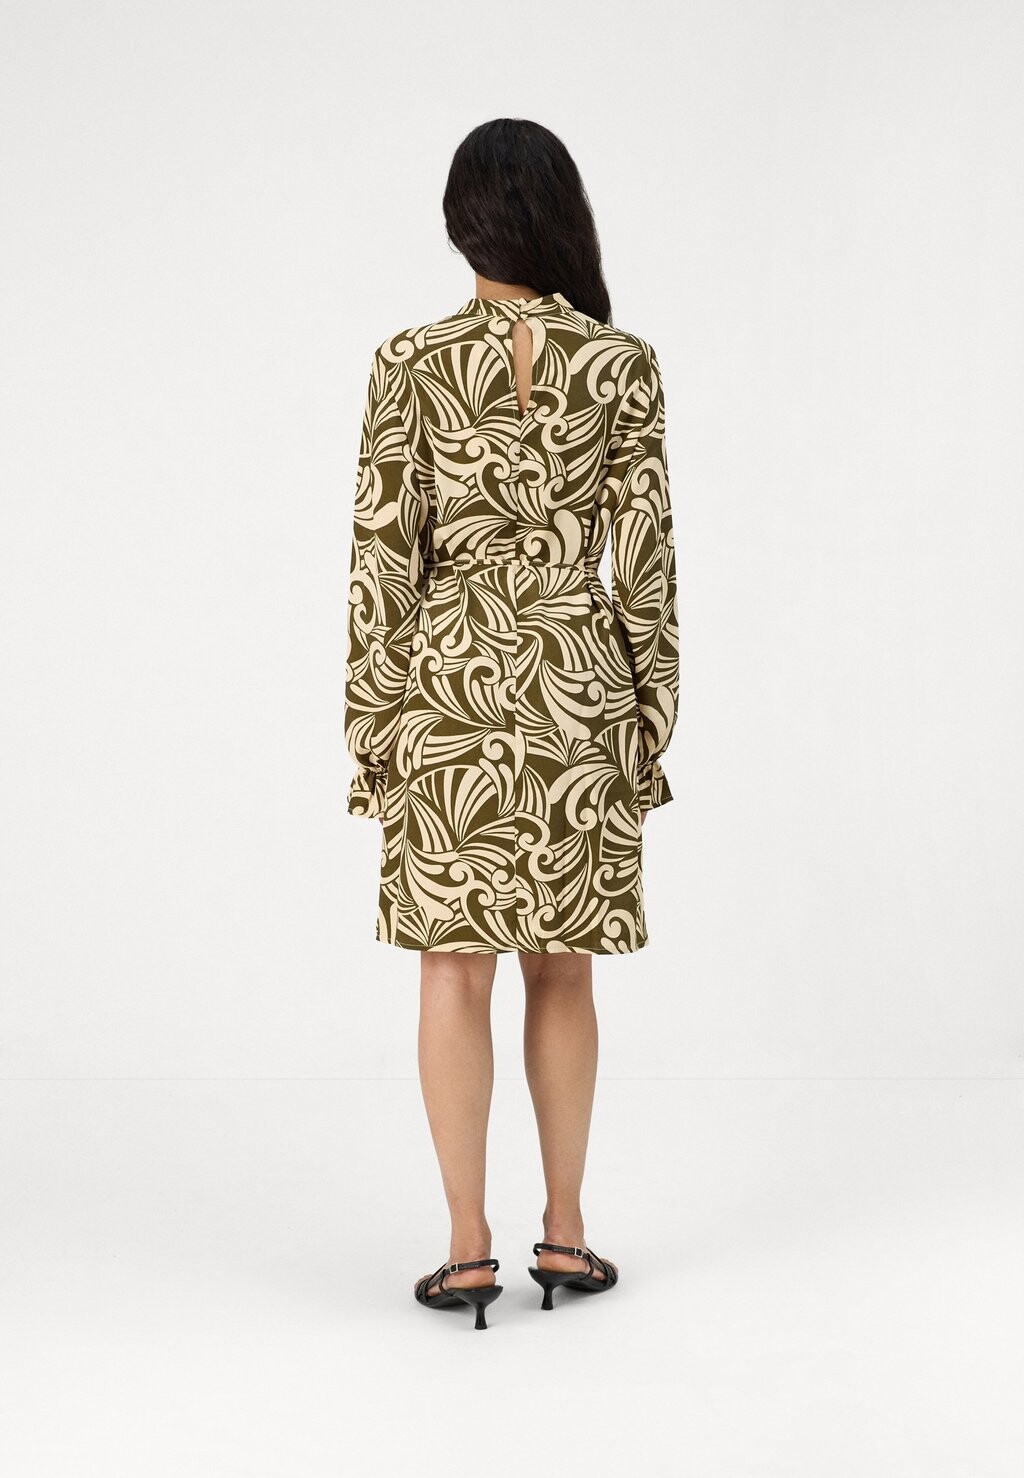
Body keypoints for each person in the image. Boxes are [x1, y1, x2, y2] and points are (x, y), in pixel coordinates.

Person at [344, 118, 679, 1328]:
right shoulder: (621, 364)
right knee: (562, 965)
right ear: (559, 214)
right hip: (577, 683)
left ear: (460, 221)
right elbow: (645, 567)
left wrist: (373, 728)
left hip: (449, 687)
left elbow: (383, 561)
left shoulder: (409, 362)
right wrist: (646, 720)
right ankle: (567, 1232)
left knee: (452, 964)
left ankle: (467, 1246)